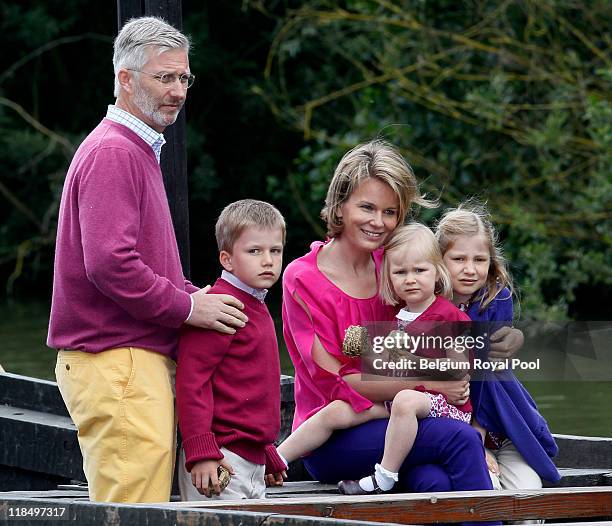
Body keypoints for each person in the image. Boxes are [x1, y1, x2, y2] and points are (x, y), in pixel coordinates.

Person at [47, 17, 247, 503]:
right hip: (117, 361)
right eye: (164, 77)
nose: (178, 90)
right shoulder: (115, 151)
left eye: (184, 78)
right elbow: (110, 263)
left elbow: (137, 261)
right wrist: (187, 309)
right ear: (125, 79)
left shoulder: (135, 149)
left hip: (128, 362)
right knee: (135, 511)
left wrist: (191, 293)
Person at [281, 140, 501, 518]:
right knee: (460, 440)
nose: (378, 222)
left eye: (390, 212)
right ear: (339, 205)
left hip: (406, 423)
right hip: (336, 435)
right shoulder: (303, 279)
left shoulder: (398, 265)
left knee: (433, 481)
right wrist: (432, 384)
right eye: (366, 207)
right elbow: (340, 381)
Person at [275, 222, 475, 495]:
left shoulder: (448, 315)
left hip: (436, 404)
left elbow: (459, 370)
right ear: (389, 278)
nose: (410, 279)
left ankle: (385, 475)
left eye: (419, 270)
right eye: (401, 272)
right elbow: (380, 363)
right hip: (397, 401)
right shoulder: (397, 317)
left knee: (407, 404)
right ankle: (276, 459)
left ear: (437, 273)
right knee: (336, 411)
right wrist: (362, 346)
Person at [436, 201, 560, 498]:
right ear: (438, 260)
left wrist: (480, 434)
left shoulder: (495, 299)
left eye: (480, 260)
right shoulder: (425, 306)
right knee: (486, 488)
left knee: (528, 492)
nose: (470, 270)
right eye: (458, 259)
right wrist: (472, 442)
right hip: (450, 422)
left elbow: (488, 377)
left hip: (495, 421)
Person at [176, 200, 288, 501]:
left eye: (274, 251)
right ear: (227, 259)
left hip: (251, 460)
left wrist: (264, 448)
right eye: (255, 251)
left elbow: (247, 389)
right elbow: (192, 383)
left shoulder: (258, 306)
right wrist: (201, 451)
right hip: (218, 460)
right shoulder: (218, 306)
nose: (268, 261)